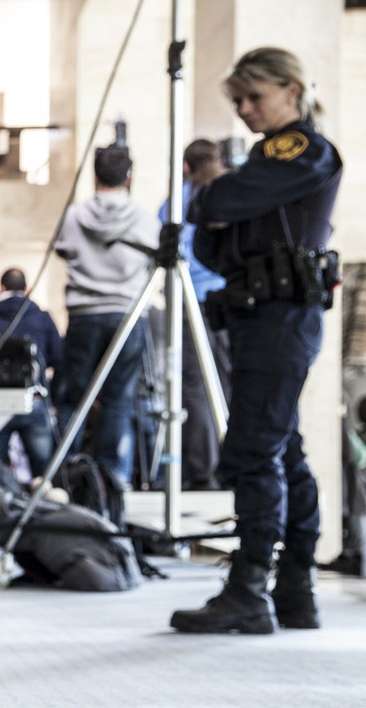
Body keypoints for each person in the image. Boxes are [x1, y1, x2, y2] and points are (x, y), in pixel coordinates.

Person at [171, 47, 342, 634]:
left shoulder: (301, 150)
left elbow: (216, 204)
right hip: (257, 316)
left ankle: (249, 588)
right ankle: (294, 588)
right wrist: (222, 199)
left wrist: (219, 193)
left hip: (281, 318)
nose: (244, 109)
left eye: (254, 96)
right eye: (237, 100)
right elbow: (211, 240)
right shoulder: (265, 161)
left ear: (291, 90)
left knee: (253, 450)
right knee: (282, 449)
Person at [52, 145, 158, 489]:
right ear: (129, 177)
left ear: (94, 175)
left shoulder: (74, 216)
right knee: (118, 400)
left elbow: (63, 251)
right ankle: (112, 480)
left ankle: (65, 474)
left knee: (74, 398)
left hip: (84, 315)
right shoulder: (144, 218)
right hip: (127, 315)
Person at [157, 139, 232, 491]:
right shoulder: (231, 193)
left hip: (188, 303)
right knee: (229, 380)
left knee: (194, 385)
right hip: (226, 298)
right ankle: (231, 466)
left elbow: (164, 246)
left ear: (185, 167)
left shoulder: (174, 203)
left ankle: (204, 471)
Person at [0, 268, 63, 479]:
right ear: (27, 289)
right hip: (35, 399)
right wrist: (54, 397)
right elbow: (59, 359)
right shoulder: (42, 317)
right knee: (44, 475)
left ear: (1, 288)